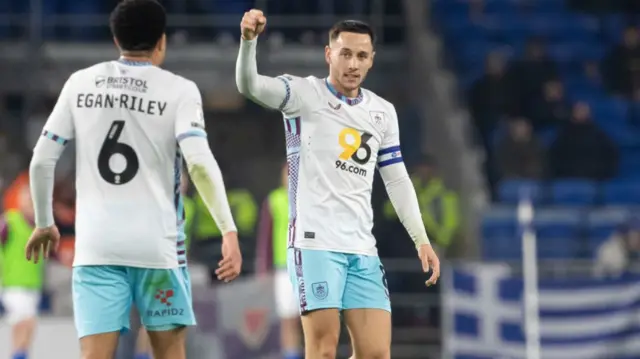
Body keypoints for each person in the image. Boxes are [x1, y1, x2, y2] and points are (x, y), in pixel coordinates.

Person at [24, 1, 242, 359]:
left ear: (115, 39)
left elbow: (42, 160)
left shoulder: (80, 83)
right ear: (162, 42)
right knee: (169, 353)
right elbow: (199, 164)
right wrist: (227, 229)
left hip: (97, 249)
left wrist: (46, 223)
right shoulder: (179, 90)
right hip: (158, 248)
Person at [236, 11, 441, 359]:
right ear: (328, 54)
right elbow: (250, 86)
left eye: (361, 55)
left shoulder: (383, 112)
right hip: (314, 244)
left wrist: (421, 238)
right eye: (345, 53)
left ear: (372, 60)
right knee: (323, 351)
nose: (353, 63)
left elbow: (396, 178)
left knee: (376, 353)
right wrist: (248, 42)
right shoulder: (304, 94)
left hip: (362, 248)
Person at [256, 162, 302, 359]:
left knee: (311, 321)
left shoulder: (312, 200)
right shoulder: (274, 200)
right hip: (283, 269)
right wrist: (263, 268)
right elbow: (265, 237)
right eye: (287, 173)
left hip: (310, 268)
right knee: (287, 319)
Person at [0, 184, 43, 359]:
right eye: (28, 200)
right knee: (25, 323)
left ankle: (19, 355)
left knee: (26, 328)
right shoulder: (9, 222)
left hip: (33, 283)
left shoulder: (41, 226)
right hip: (13, 284)